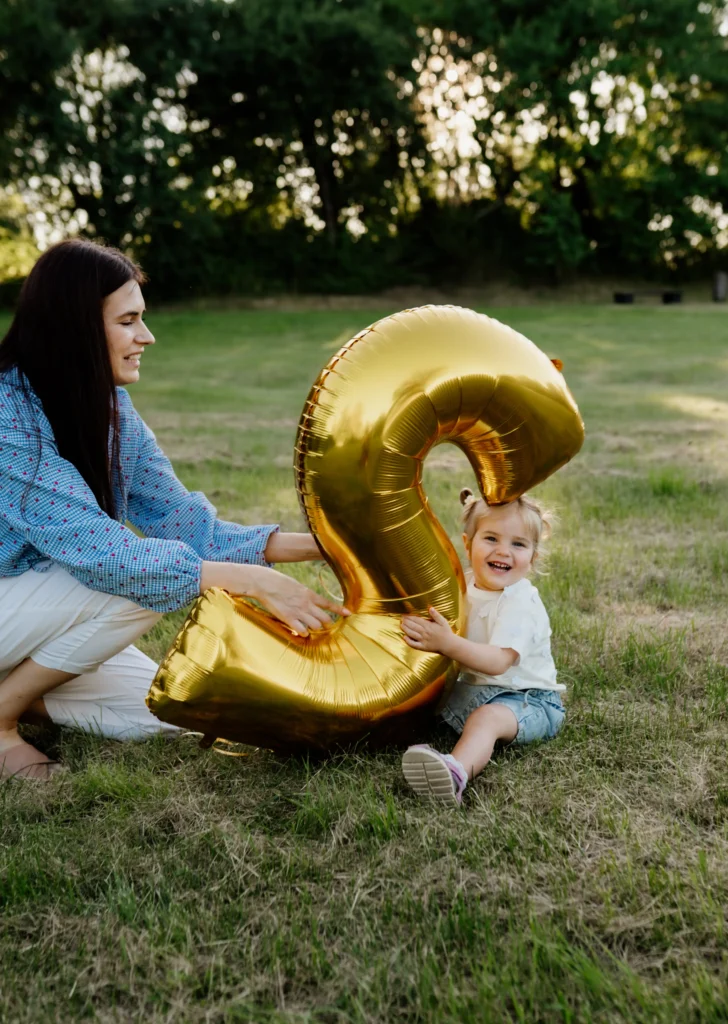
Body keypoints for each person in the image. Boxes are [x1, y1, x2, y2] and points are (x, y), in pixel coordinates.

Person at [0, 239, 346, 781]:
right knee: (136, 578)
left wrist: (325, 546)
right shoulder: (6, 414)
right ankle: (1, 720)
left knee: (165, 712)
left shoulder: (110, 405)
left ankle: (24, 693)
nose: (147, 337)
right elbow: (108, 558)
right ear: (77, 327)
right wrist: (252, 581)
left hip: (31, 616)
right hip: (13, 599)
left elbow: (183, 521)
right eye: (129, 320)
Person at [400, 488, 565, 804]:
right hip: (477, 690)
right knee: (429, 700)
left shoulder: (520, 601)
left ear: (532, 557)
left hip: (528, 701)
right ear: (467, 544)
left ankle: (454, 773)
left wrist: (447, 643)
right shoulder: (462, 585)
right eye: (491, 539)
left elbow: (497, 662)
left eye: (518, 544)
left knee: (486, 719)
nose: (504, 551)